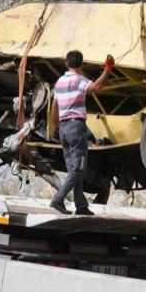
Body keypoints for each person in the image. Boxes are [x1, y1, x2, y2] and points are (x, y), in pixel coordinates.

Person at [49, 50, 114, 216]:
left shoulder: (59, 82)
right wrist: (107, 70)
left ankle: (81, 206)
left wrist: (56, 128)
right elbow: (97, 87)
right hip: (76, 128)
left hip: (63, 128)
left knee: (74, 169)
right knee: (78, 169)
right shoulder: (79, 80)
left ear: (66, 64)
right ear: (82, 65)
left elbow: (55, 107)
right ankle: (58, 199)